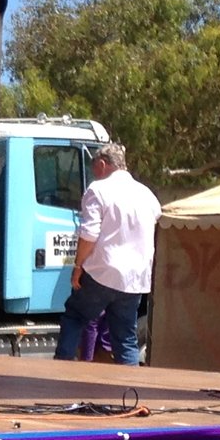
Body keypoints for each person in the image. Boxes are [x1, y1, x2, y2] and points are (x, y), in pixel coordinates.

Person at [55, 141, 161, 366]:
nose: (94, 171)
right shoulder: (147, 195)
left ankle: (60, 370)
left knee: (75, 316)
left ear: (102, 164)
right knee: (125, 338)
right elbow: (156, 219)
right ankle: (131, 385)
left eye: (94, 166)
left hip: (102, 272)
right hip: (134, 280)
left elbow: (89, 234)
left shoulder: (98, 190)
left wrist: (78, 266)